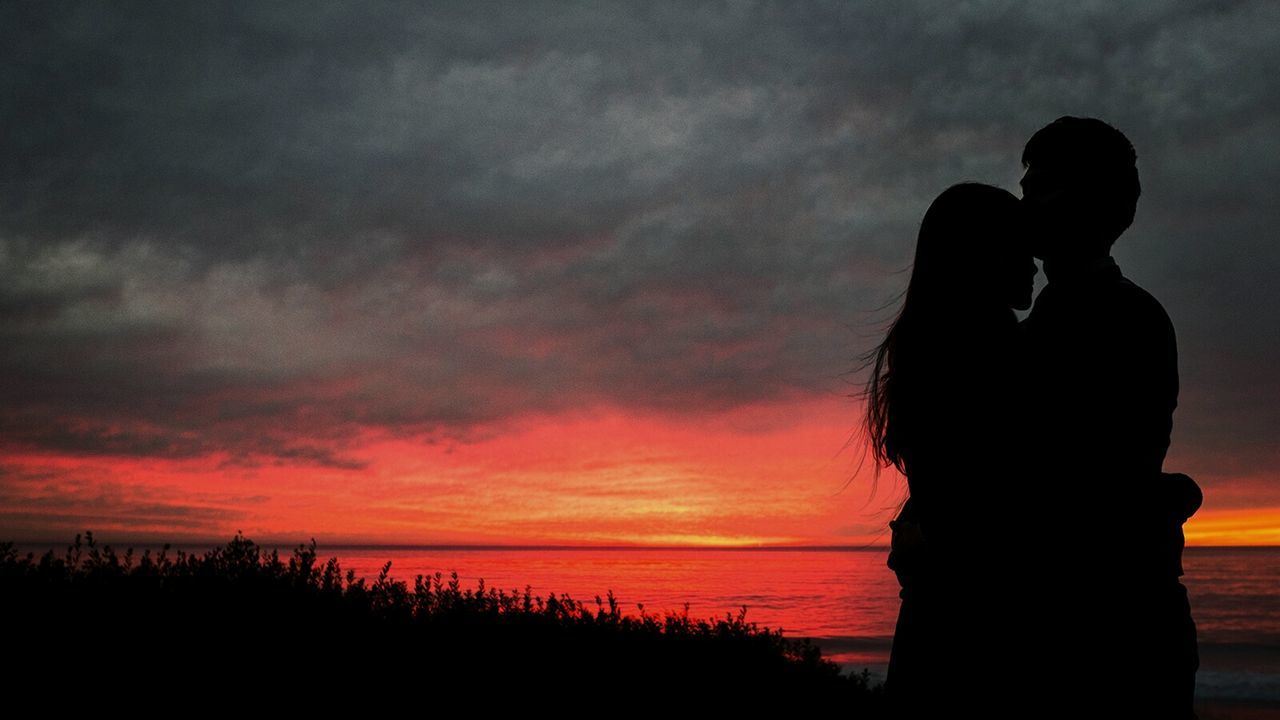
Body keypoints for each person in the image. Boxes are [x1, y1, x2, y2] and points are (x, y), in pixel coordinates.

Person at [1018, 116, 1200, 718]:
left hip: (1107, 627)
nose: (1026, 203)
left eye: (1041, 186)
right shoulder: (1045, 320)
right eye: (1026, 187)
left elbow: (1093, 474)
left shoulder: (1130, 319)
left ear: (1096, 202)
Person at [863, 182, 1037, 718]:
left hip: (942, 608)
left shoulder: (932, 344)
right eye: (1020, 249)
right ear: (983, 254)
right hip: (975, 617)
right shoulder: (985, 352)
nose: (1034, 266)